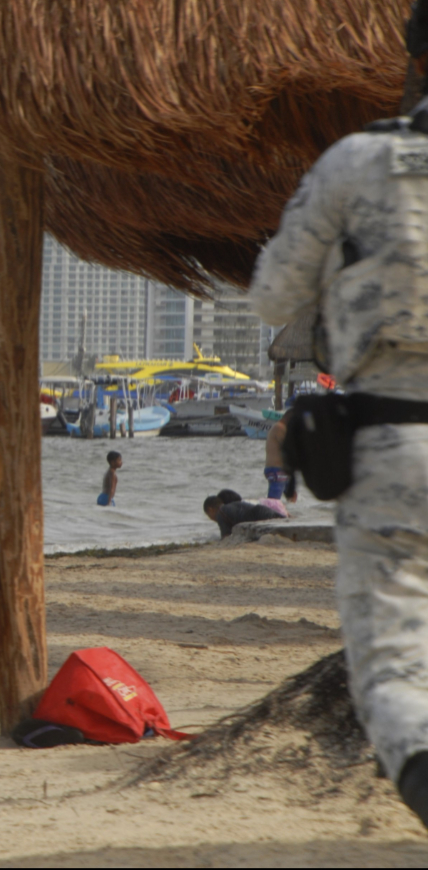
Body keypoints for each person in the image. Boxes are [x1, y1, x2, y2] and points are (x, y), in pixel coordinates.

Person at [248, 3, 428, 825]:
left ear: (415, 62)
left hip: (392, 446)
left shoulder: (360, 162)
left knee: (394, 675)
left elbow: (272, 293)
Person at [203, 494, 285, 539]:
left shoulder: (220, 513)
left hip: (260, 518)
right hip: (265, 511)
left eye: (208, 515)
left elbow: (226, 538)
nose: (210, 518)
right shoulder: (232, 505)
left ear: (211, 510)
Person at [264, 410, 296, 502]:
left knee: (290, 497)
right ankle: (269, 514)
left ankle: (286, 514)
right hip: (276, 469)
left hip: (279, 470)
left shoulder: (279, 427)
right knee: (273, 501)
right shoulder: (280, 427)